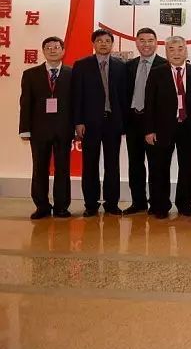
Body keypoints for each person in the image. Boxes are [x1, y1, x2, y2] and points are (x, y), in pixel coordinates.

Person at [72, 28, 128, 217]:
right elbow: (77, 95)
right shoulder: (82, 65)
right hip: (89, 123)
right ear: (94, 44)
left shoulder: (120, 66)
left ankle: (112, 203)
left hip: (113, 122)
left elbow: (124, 97)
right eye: (99, 41)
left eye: (107, 41)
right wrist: (78, 121)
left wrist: (123, 122)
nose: (103, 44)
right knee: (90, 164)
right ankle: (91, 204)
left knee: (112, 164)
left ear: (112, 44)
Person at [143, 36, 191, 219]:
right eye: (172, 49)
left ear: (186, 51)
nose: (176, 53)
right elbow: (149, 103)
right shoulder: (157, 72)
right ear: (166, 52)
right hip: (163, 128)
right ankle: (160, 205)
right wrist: (149, 129)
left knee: (186, 168)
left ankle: (184, 205)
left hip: (188, 128)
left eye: (180, 48)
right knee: (160, 168)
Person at [19, 36, 74, 219]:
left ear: (63, 51)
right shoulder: (31, 74)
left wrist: (76, 126)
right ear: (43, 51)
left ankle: (61, 206)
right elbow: (25, 103)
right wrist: (24, 129)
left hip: (64, 129)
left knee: (63, 169)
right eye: (48, 48)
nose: (52, 50)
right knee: (39, 168)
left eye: (56, 47)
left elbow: (76, 102)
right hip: (39, 130)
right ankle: (41, 206)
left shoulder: (72, 73)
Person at [123, 27, 166, 215]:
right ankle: (138, 202)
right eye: (142, 40)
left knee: (156, 165)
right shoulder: (128, 66)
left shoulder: (165, 65)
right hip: (133, 120)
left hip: (155, 123)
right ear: (136, 43)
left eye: (150, 40)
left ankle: (156, 203)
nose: (146, 44)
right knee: (135, 164)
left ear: (156, 43)